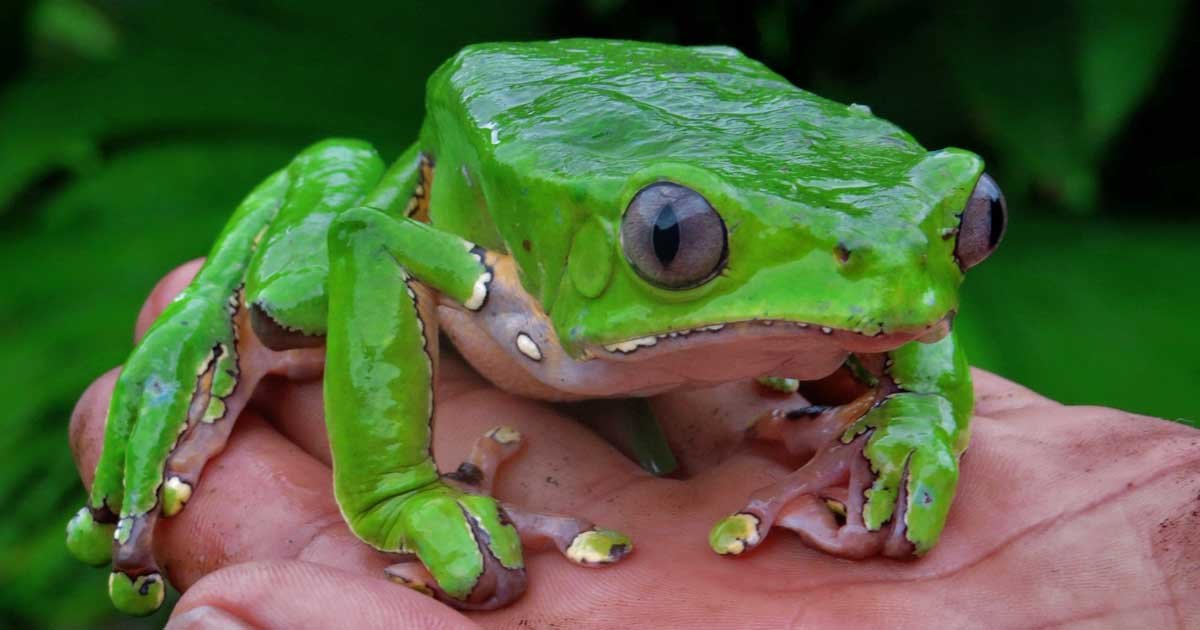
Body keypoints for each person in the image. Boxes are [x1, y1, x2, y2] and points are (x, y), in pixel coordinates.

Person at [69, 260, 1200, 629]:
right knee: (282, 268)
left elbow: (912, 295)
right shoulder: (453, 252)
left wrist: (911, 406)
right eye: (680, 240)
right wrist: (400, 484)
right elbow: (375, 237)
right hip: (475, 231)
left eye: (971, 224)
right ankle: (195, 361)